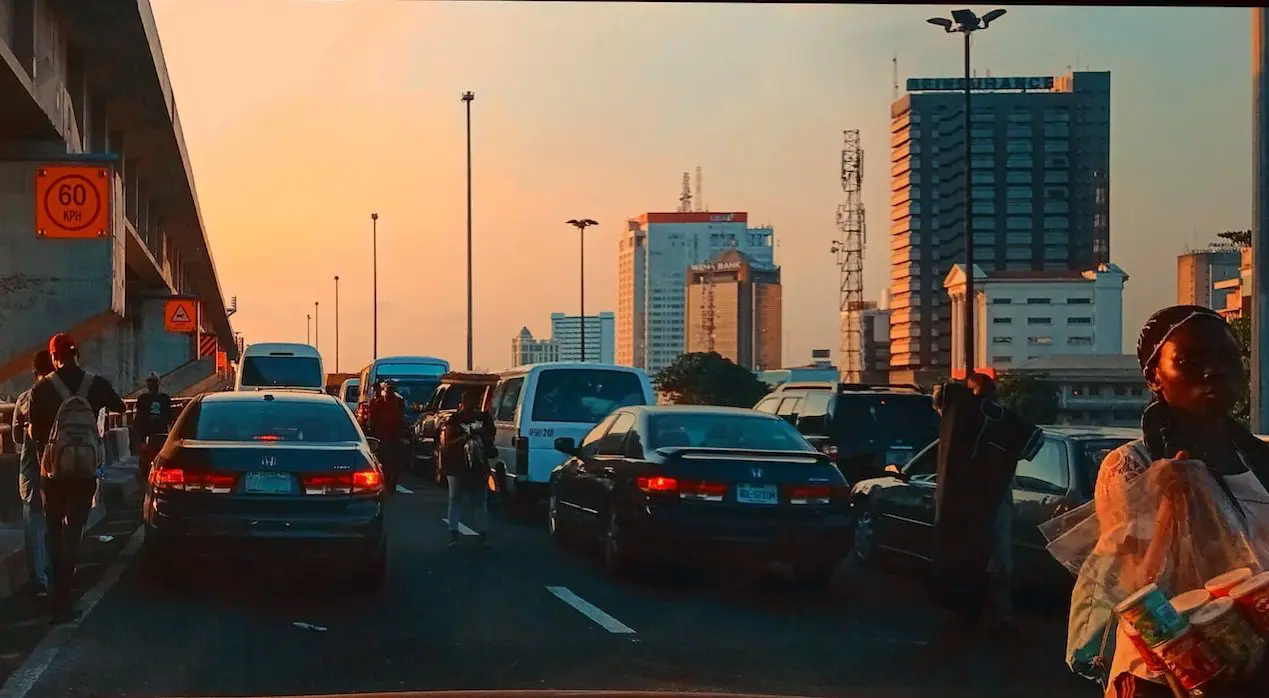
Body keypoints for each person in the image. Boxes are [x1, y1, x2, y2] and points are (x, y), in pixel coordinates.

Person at [1082, 306, 1269, 698]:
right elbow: (1135, 593)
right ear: (1154, 377)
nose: (1214, 371)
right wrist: (1166, 505)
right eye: (1190, 361)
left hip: (1253, 671)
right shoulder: (1134, 465)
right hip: (1170, 679)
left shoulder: (1259, 458)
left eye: (1228, 358)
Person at [929, 373, 1041, 635]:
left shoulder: (999, 422)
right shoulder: (961, 418)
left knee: (993, 556)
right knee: (977, 553)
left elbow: (1031, 442)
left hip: (989, 498)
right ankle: (978, 609)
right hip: (972, 499)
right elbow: (939, 399)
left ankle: (997, 612)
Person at [27, 333, 126, 624]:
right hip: (84, 471)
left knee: (54, 531)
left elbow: (33, 434)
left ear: (54, 357)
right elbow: (120, 406)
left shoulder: (41, 389)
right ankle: (67, 597)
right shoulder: (94, 383)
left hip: (53, 472)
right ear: (77, 354)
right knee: (74, 532)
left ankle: (55, 598)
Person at [10, 350, 55, 597]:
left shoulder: (25, 398)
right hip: (61, 472)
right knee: (57, 524)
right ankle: (61, 573)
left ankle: (39, 581)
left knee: (34, 526)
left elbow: (16, 437)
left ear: (34, 373)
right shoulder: (64, 397)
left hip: (33, 472)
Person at [440, 387, 494, 548]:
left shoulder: (483, 419)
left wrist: (481, 434)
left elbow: (490, 439)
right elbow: (448, 443)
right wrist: (467, 436)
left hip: (474, 465)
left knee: (467, 500)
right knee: (466, 500)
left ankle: (465, 536)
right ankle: (461, 535)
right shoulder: (455, 420)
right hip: (459, 465)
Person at [132, 371, 173, 485]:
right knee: (145, 456)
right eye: (150, 382)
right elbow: (139, 417)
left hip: (158, 434)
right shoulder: (144, 399)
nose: (151, 384)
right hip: (147, 434)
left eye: (153, 382)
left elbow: (169, 417)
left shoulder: (163, 399)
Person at [366, 380, 406, 491]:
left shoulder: (398, 403)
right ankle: (387, 482)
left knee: (395, 462)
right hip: (383, 437)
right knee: (386, 461)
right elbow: (372, 420)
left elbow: (402, 418)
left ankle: (391, 483)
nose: (389, 392)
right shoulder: (378, 403)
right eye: (388, 390)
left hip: (394, 436)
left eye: (391, 390)